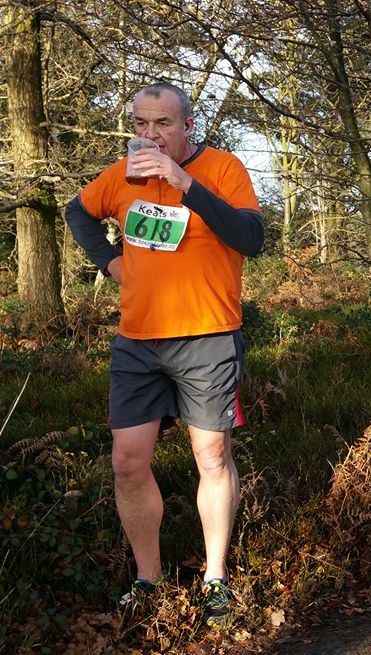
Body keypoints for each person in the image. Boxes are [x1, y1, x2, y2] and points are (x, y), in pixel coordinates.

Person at [64, 82, 263, 623]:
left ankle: (215, 578)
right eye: (141, 125)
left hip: (207, 337)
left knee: (212, 458)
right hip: (138, 340)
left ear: (188, 127)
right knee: (128, 464)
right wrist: (111, 263)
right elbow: (76, 213)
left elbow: (251, 237)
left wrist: (186, 185)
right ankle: (148, 580)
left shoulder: (224, 169)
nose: (149, 135)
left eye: (163, 125)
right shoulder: (121, 176)